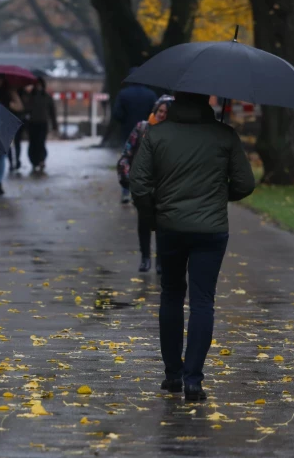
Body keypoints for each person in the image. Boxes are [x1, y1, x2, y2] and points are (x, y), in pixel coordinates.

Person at [130, 92, 255, 401]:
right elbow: (245, 184)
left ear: (175, 104)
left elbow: (139, 183)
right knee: (203, 301)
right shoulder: (224, 135)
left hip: (170, 228)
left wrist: (153, 216)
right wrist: (215, 195)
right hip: (210, 232)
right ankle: (194, 380)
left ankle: (172, 374)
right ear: (206, 102)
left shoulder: (156, 134)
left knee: (171, 295)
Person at [117, 95, 173, 274]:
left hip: (165, 186)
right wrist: (127, 176)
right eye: (160, 111)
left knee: (163, 224)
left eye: (166, 112)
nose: (162, 115)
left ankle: (160, 260)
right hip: (143, 185)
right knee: (144, 222)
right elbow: (126, 154)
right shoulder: (142, 128)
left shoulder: (175, 133)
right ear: (155, 110)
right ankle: (145, 257)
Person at [112, 67, 158, 204]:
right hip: (148, 133)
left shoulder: (123, 94)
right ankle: (142, 192)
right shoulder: (151, 94)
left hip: (128, 133)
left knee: (127, 161)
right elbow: (156, 113)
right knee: (146, 163)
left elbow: (117, 114)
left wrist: (125, 121)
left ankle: (126, 192)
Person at [25, 77, 58, 172]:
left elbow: (52, 112)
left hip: (43, 123)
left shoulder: (47, 97)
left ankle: (41, 160)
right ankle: (34, 161)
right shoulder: (30, 96)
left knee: (41, 142)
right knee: (33, 143)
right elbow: (26, 109)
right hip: (32, 124)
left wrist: (54, 125)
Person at [9, 86, 29, 172]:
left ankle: (17, 161)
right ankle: (11, 162)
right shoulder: (7, 92)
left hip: (19, 121)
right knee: (9, 143)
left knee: (17, 142)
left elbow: (23, 107)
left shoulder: (23, 93)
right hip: (8, 120)